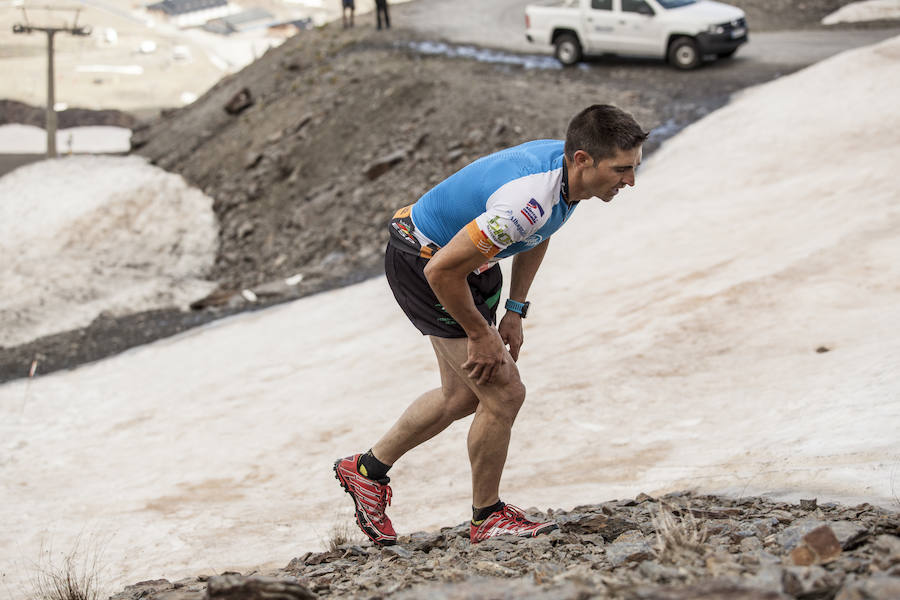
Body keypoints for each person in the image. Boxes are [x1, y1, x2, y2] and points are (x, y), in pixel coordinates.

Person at [334, 104, 648, 546]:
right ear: (582, 159)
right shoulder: (527, 201)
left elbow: (542, 230)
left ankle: (365, 471)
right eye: (621, 170)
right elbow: (442, 271)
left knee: (462, 394)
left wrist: (516, 309)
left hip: (466, 262)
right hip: (427, 262)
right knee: (503, 392)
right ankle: (488, 517)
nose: (630, 181)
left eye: (634, 168)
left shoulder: (565, 180)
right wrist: (482, 334)